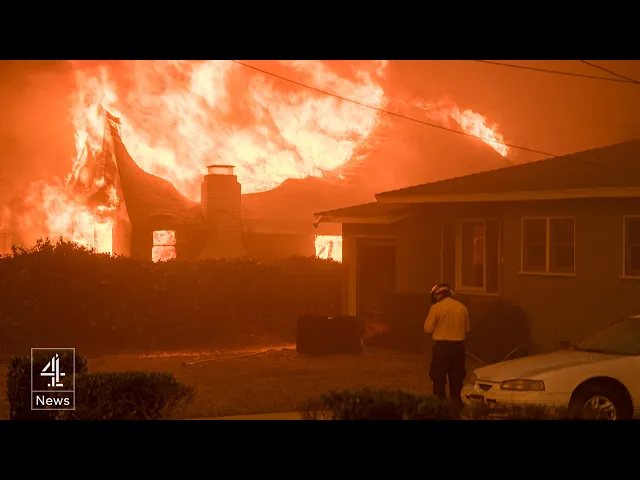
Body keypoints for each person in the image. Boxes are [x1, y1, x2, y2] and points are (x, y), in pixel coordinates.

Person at [424, 283, 470, 407]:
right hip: (458, 348)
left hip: (441, 348)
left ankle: (440, 406)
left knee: (438, 379)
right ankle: (456, 407)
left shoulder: (436, 308)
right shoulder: (462, 308)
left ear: (436, 296)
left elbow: (427, 329)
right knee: (457, 380)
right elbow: (467, 329)